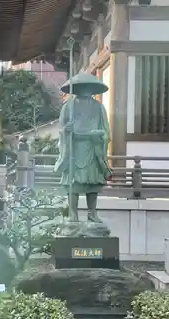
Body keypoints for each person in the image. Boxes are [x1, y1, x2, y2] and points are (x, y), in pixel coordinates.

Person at [54, 73, 112, 222]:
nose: (85, 90)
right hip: (74, 148)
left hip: (93, 147)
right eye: (82, 87)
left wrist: (101, 135)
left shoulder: (99, 107)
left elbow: (106, 129)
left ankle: (92, 212)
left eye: (88, 87)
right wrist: (66, 131)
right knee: (73, 182)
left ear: (93, 89)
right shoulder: (68, 106)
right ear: (77, 89)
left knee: (92, 182)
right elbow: (61, 128)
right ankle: (73, 213)